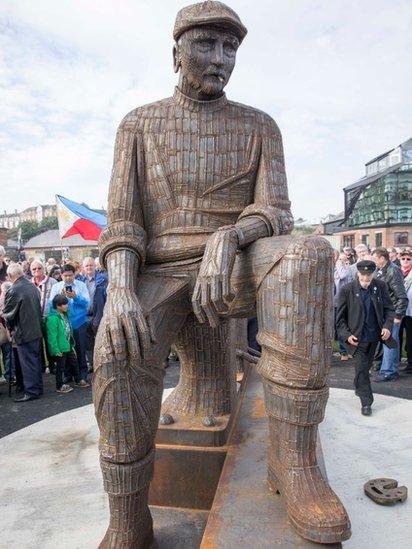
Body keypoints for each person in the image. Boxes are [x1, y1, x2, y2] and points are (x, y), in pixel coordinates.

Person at [93, 3, 350, 545]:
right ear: (177, 52)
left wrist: (230, 236)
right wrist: (119, 289)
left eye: (230, 48)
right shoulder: (138, 124)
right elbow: (122, 223)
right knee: (117, 346)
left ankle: (295, 462)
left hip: (236, 263)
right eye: (207, 45)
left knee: (308, 255)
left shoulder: (260, 126)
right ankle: (128, 514)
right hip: (160, 269)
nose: (221, 59)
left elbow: (275, 209)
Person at [337, 260, 394, 415]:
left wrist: (388, 326)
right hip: (357, 339)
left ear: (373, 275)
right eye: (362, 279)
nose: (365, 283)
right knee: (362, 369)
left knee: (364, 368)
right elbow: (340, 319)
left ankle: (358, 387)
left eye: (368, 280)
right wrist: (347, 335)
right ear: (358, 275)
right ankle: (366, 402)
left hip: (374, 337)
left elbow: (389, 309)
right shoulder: (347, 290)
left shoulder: (380, 286)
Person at [2, 263, 43, 402]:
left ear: (10, 276)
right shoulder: (32, 286)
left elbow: (8, 314)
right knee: (35, 361)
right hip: (35, 330)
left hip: (24, 332)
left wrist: (10, 328)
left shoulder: (15, 290)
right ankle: (37, 388)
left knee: (28, 363)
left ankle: (31, 391)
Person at [48, 264, 90, 382]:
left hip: (79, 322)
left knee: (81, 349)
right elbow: (51, 306)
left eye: (70, 275)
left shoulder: (81, 285)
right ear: (61, 275)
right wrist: (59, 298)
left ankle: (82, 374)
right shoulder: (56, 287)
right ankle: (68, 374)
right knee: (66, 350)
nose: (68, 278)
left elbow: (87, 304)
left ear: (74, 274)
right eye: (65, 276)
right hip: (63, 323)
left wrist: (76, 297)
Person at [372, 247, 408, 381]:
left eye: (375, 259)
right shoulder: (381, 270)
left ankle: (388, 372)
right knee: (390, 341)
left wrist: (398, 316)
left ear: (382, 258)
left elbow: (402, 296)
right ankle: (390, 370)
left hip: (392, 313)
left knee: (389, 341)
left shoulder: (393, 270)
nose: (374, 262)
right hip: (385, 312)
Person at [46, 294, 88, 393]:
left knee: (74, 362)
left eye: (66, 304)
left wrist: (71, 344)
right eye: (63, 304)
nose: (66, 306)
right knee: (60, 367)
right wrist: (55, 350)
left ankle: (78, 380)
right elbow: (52, 336)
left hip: (68, 345)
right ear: (57, 305)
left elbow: (68, 330)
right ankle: (59, 386)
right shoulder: (52, 318)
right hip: (60, 347)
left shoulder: (65, 314)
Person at [79, 256, 108, 372]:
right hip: (84, 317)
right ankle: (92, 364)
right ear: (83, 268)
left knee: (102, 340)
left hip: (98, 315)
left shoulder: (103, 280)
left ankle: (104, 362)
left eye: (91, 265)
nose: (89, 267)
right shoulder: (80, 281)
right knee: (88, 343)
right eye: (86, 266)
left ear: (95, 266)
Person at [334, 251, 351, 360]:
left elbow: (346, 277)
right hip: (336, 303)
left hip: (346, 302)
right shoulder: (336, 270)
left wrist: (342, 264)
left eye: (343, 259)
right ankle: (343, 352)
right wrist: (339, 264)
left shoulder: (346, 268)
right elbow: (342, 275)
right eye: (339, 259)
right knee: (340, 326)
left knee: (346, 326)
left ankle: (346, 350)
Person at [399, 250, 412, 373]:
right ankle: (395, 361)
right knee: (396, 337)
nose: (405, 261)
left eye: (408, 259)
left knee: (410, 339)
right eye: (403, 259)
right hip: (398, 310)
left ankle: (410, 364)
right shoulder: (397, 272)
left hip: (410, 311)